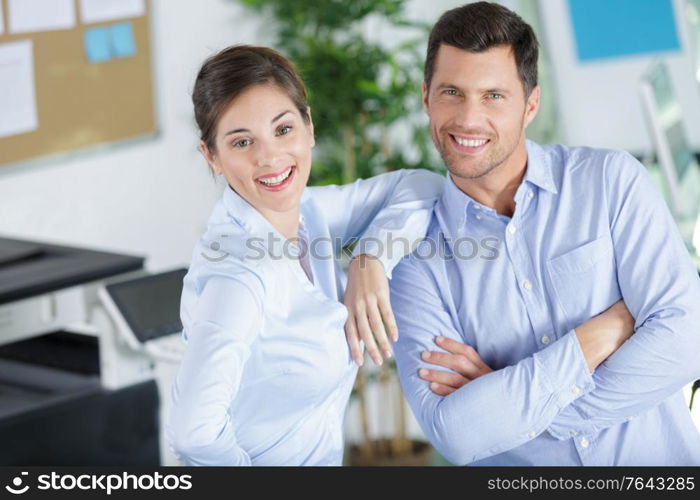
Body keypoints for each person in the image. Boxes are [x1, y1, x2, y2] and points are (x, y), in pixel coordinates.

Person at [389, 1, 700, 465]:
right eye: (452, 92)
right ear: (426, 97)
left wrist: (521, 409)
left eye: (494, 95)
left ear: (530, 104)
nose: (468, 118)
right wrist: (601, 334)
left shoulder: (609, 182)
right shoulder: (412, 260)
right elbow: (456, 435)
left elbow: (686, 339)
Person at [165, 45, 444, 466]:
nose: (270, 157)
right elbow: (193, 433)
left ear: (309, 126)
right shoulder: (239, 277)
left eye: (283, 130)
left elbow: (422, 186)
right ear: (212, 157)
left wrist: (371, 259)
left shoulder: (309, 215)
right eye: (242, 142)